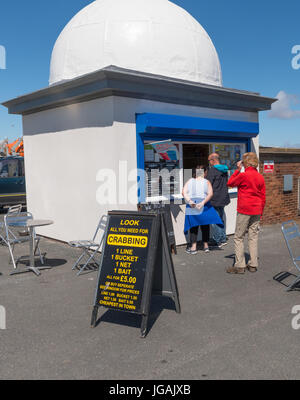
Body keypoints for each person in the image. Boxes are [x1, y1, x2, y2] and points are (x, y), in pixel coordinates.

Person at [226, 152, 266, 274]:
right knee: (253, 237)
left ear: (245, 163)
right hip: (256, 210)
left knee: (239, 237)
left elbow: (230, 183)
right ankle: (253, 264)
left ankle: (240, 266)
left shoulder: (243, 175)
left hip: (244, 210)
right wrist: (261, 212)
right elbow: (263, 196)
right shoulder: (260, 177)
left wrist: (238, 170)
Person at [183, 166, 224, 255]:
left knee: (194, 226)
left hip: (192, 205)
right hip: (204, 205)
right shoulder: (206, 182)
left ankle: (193, 248)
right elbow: (210, 194)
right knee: (205, 226)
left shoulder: (190, 181)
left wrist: (190, 202)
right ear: (204, 172)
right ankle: (206, 246)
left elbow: (184, 192)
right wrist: (202, 203)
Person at [206, 153, 230, 248]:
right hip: (223, 197)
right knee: (220, 218)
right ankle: (223, 238)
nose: (209, 163)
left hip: (215, 198)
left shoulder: (212, 170)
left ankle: (217, 240)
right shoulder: (224, 169)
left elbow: (208, 184)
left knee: (214, 219)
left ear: (213, 160)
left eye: (209, 161)